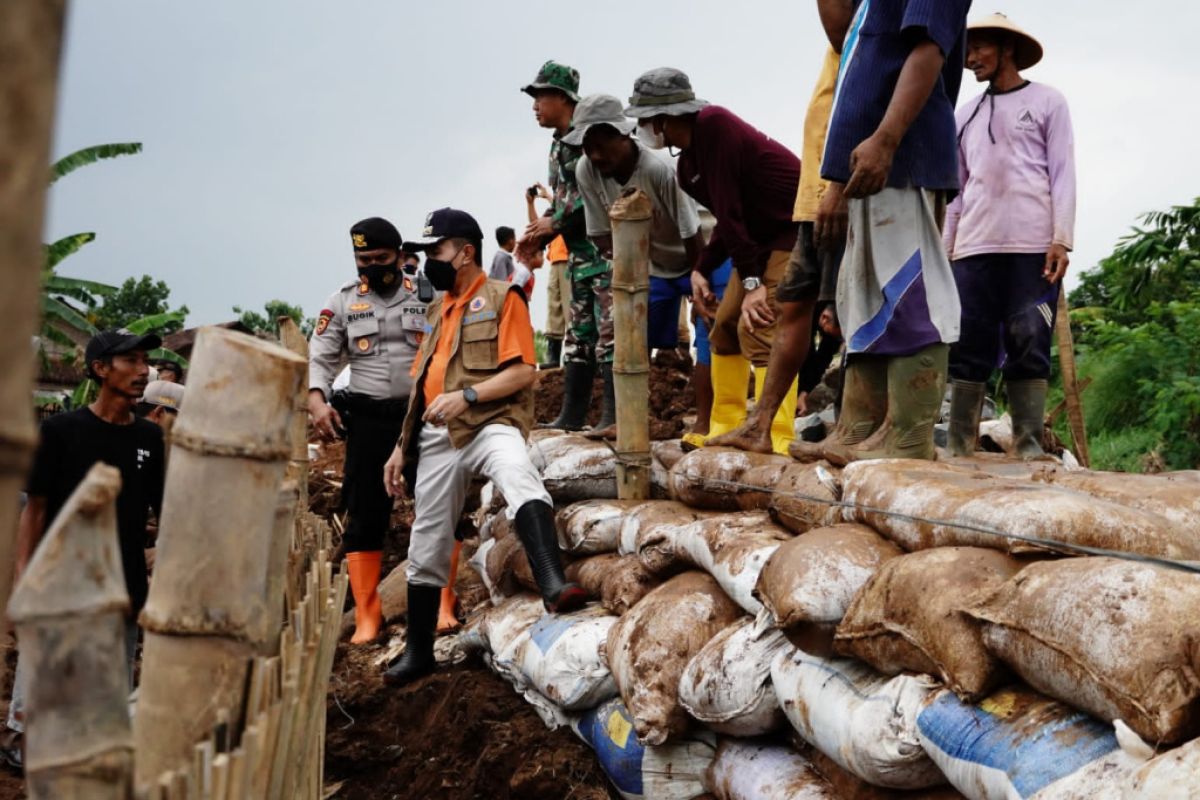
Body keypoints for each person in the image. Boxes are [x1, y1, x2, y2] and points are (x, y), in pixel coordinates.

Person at [381, 208, 586, 686]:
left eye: (436, 251)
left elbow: (524, 373)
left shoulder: (502, 298)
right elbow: (422, 387)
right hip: (437, 437)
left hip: (488, 423)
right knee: (427, 536)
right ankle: (419, 652)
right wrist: (399, 447)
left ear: (465, 251)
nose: (430, 260)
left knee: (518, 472)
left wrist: (468, 395)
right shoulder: (437, 309)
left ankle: (553, 584)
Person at [802, 0, 970, 464]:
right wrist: (838, 178)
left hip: (901, 155)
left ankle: (910, 439)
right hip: (869, 160)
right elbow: (851, 47)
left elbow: (929, 47)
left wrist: (887, 139)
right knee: (868, 297)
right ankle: (859, 429)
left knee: (913, 292)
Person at [4, 329, 166, 769]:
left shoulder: (149, 439)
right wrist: (23, 582)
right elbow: (34, 509)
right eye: (130, 361)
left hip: (124, 579)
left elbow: (163, 512)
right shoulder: (60, 431)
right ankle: (24, 739)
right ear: (100, 369)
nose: (143, 370)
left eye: (144, 361)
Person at [625, 69, 802, 454]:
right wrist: (702, 268)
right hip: (756, 241)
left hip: (791, 231)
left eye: (643, 120)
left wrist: (753, 286)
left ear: (665, 118)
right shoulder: (689, 167)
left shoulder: (716, 127)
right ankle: (727, 424)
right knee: (723, 327)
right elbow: (728, 218)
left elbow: (733, 213)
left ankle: (777, 434)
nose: (642, 129)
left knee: (761, 327)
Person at [943, 13, 1074, 459]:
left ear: (1008, 49)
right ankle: (960, 446)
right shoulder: (964, 115)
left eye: (979, 48)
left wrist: (1062, 238)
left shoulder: (1047, 102)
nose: (970, 58)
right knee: (968, 345)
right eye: (966, 49)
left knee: (1029, 340)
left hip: (1032, 247)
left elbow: (1063, 174)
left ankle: (1029, 447)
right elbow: (956, 194)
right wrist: (947, 251)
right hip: (973, 248)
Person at [709, 46, 849, 454]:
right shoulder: (834, 63)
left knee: (775, 327)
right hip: (811, 214)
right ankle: (748, 423)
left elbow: (827, 346)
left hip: (821, 221)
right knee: (744, 324)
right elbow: (729, 219)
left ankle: (780, 431)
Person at [308, 217, 435, 644]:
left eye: (381, 258)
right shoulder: (342, 302)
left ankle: (444, 605)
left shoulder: (429, 292)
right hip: (368, 420)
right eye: (364, 260)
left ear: (400, 255)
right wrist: (316, 400)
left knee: (437, 507)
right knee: (364, 515)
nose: (372, 266)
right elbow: (322, 358)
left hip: (422, 415)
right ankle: (367, 616)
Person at [567, 92, 704, 434]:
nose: (595, 156)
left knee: (712, 334)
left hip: (701, 254)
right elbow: (601, 233)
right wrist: (629, 277)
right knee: (631, 338)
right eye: (587, 148)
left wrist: (700, 281)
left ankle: (706, 422)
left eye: (602, 145)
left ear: (624, 135)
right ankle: (627, 420)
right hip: (654, 264)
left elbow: (691, 232)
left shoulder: (659, 169)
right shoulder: (587, 170)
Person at [516, 61, 615, 430]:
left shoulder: (589, 138)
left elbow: (595, 195)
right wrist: (541, 233)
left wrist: (553, 223)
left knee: (611, 336)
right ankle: (571, 417)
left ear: (561, 97)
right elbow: (563, 201)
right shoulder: (558, 146)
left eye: (540, 97)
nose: (535, 106)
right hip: (578, 257)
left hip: (605, 256)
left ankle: (614, 417)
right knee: (579, 338)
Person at [525, 184, 572, 369]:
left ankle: (574, 357)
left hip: (569, 259)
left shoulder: (570, 205)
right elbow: (536, 227)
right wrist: (530, 204)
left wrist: (549, 196)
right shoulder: (553, 209)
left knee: (571, 309)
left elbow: (567, 211)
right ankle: (553, 357)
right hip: (555, 260)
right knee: (554, 309)